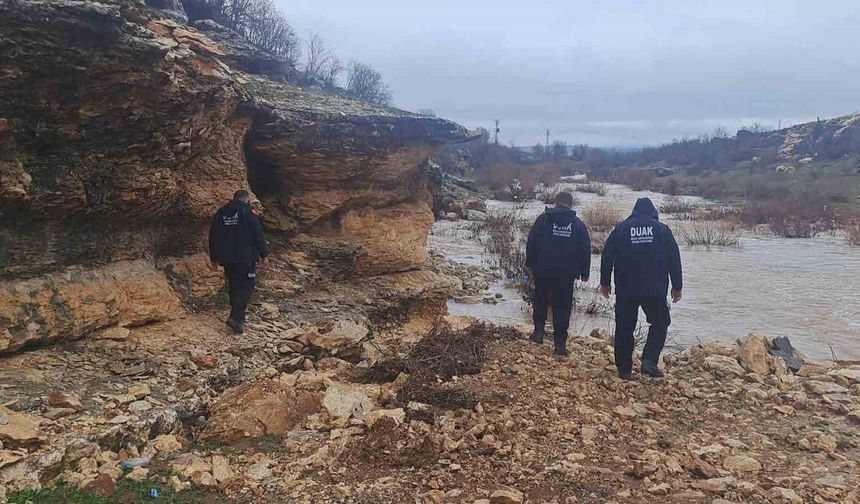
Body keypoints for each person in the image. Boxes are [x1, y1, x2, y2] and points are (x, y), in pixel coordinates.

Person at [599, 197, 682, 380]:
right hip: (654, 289)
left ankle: (624, 370)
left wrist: (605, 282)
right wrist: (677, 286)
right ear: (653, 213)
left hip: (626, 290)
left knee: (624, 328)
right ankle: (649, 362)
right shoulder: (662, 230)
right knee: (660, 324)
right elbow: (674, 259)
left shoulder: (620, 229)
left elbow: (607, 256)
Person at [525, 191, 591, 357]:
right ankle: (560, 345)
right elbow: (585, 248)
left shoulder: (544, 220)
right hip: (566, 274)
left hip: (543, 269)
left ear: (555, 202)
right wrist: (585, 271)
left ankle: (538, 334)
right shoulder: (577, 224)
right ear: (571, 204)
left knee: (540, 300)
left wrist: (530, 263)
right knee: (562, 306)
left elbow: (532, 241)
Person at [208, 190, 268, 334]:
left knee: (234, 286)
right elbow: (257, 232)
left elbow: (213, 235)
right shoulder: (248, 211)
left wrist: (214, 257)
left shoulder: (221, 212)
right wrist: (264, 253)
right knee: (247, 286)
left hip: (227, 258)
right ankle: (236, 317)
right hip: (245, 257)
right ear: (246, 199)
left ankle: (236, 317)